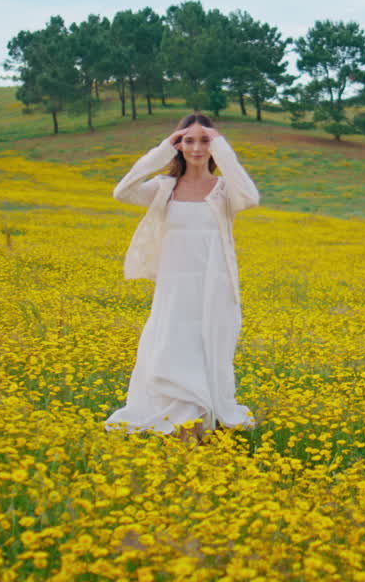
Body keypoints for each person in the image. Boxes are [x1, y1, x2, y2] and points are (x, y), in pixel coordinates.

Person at [104, 113, 258, 442]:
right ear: (179, 144)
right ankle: (178, 420)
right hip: (174, 290)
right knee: (172, 349)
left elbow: (252, 197)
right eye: (189, 140)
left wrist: (223, 148)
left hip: (214, 288)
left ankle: (200, 420)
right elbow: (123, 191)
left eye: (205, 140)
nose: (197, 147)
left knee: (206, 352)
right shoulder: (164, 188)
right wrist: (161, 151)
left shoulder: (224, 190)